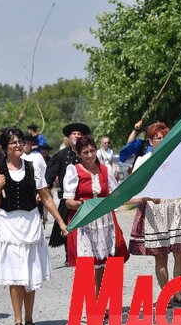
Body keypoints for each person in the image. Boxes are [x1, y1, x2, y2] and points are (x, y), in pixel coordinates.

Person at [0, 127, 69, 325]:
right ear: (5, 147)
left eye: (19, 141)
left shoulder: (33, 167)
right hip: (9, 224)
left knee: (30, 276)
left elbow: (46, 197)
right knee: (16, 276)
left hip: (31, 222)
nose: (17, 145)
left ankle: (30, 319)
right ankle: (17, 322)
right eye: (13, 142)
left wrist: (60, 222)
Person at [128, 122, 181, 307]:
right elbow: (134, 189)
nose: (162, 140)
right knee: (161, 256)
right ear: (150, 141)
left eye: (164, 137)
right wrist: (148, 197)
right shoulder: (143, 161)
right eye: (158, 138)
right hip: (154, 209)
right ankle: (167, 294)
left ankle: (177, 293)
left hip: (175, 206)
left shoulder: (176, 159)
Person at [62, 135, 129, 295]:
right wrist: (85, 205)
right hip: (85, 222)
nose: (90, 155)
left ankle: (99, 301)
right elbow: (68, 202)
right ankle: (90, 301)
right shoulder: (74, 170)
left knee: (102, 263)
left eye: (92, 151)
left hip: (104, 221)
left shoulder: (105, 170)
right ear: (78, 154)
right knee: (86, 264)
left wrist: (143, 196)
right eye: (85, 152)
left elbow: (117, 195)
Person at [45, 123, 90, 260]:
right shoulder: (60, 156)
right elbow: (49, 176)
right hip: (68, 198)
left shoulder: (88, 153)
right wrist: (43, 191)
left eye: (79, 134)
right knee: (67, 227)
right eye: (74, 134)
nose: (77, 136)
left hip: (86, 198)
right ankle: (70, 254)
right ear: (69, 137)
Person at [23, 134, 48, 223]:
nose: (26, 145)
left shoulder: (37, 156)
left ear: (31, 145)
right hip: (24, 188)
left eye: (28, 143)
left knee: (38, 215)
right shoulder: (19, 157)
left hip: (37, 188)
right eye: (24, 143)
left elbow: (44, 170)